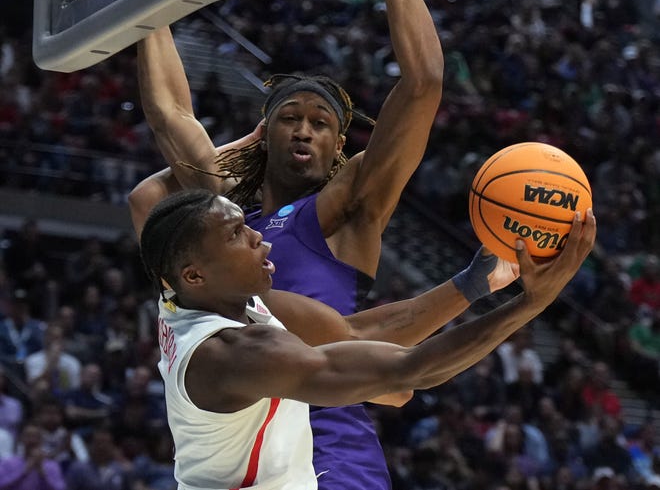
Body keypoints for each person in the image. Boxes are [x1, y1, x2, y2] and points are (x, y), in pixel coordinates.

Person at [126, 0, 524, 488]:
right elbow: (169, 120)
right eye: (289, 118)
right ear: (264, 131)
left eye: (320, 124)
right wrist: (139, 7)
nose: (304, 131)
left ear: (340, 145)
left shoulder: (347, 206)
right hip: (248, 436)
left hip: (330, 442)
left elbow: (423, 85)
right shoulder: (224, 222)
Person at [139, 189, 595, 490]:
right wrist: (532, 304)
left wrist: (473, 285)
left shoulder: (197, 296)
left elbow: (354, 333)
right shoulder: (232, 354)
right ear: (194, 274)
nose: (261, 238)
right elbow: (409, 369)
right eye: (237, 234)